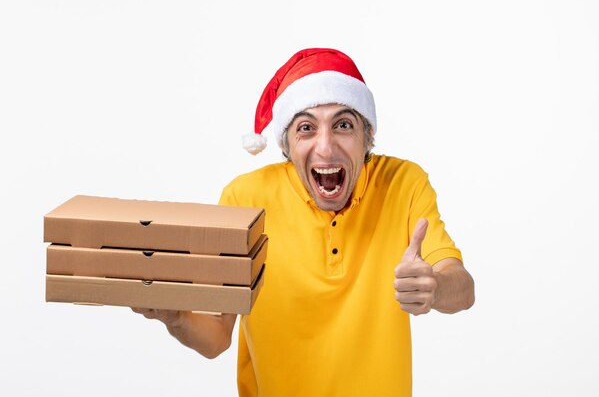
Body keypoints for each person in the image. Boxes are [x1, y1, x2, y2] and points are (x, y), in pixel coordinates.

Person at [133, 48, 475, 397]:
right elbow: (216, 337)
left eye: (343, 125)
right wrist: (174, 316)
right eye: (306, 128)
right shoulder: (244, 199)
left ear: (368, 136)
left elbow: (463, 288)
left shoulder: (404, 183)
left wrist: (435, 285)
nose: (325, 148)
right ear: (286, 144)